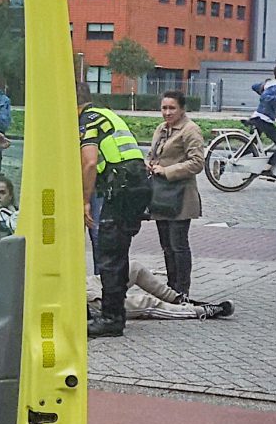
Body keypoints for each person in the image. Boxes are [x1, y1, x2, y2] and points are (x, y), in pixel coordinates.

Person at [80, 81, 150, 339]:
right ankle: (114, 314)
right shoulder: (107, 114)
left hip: (120, 187)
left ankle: (111, 319)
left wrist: (84, 200)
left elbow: (89, 163)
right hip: (137, 185)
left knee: (109, 253)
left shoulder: (87, 120)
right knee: (118, 251)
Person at [146, 89, 208, 296]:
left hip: (181, 196)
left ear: (182, 109)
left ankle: (182, 290)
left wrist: (168, 171)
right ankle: (171, 290)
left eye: (172, 108)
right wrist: (150, 164)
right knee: (166, 245)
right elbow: (152, 153)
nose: (167, 112)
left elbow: (197, 162)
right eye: (164, 108)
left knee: (178, 244)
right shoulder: (161, 129)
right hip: (161, 195)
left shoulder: (190, 130)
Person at [84, 258, 233, 320]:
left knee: (135, 268)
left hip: (84, 284)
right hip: (89, 301)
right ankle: (198, 311)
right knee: (145, 303)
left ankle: (177, 299)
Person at [248, 63, 276, 180]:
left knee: (251, 147)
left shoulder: (271, 84)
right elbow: (264, 97)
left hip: (257, 117)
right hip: (264, 120)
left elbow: (254, 86)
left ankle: (225, 162)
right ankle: (267, 169)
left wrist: (264, 86)